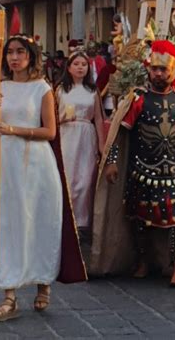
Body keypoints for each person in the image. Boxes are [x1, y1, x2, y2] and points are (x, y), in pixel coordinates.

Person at [90, 40, 175, 287]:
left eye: (163, 70)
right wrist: (111, 163)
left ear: (173, 71)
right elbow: (119, 134)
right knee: (139, 219)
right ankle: (142, 261)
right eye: (155, 69)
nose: (158, 74)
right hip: (141, 171)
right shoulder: (138, 99)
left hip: (172, 172)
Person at [0, 35, 86, 322]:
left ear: (31, 56)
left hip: (36, 164)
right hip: (5, 165)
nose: (14, 57)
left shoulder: (42, 88)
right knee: (8, 225)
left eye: (20, 52)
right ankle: (9, 296)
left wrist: (12, 129)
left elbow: (50, 132)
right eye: (10, 52)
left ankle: (43, 282)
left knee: (38, 222)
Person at [56, 51, 105, 235]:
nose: (80, 67)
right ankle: (65, 219)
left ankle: (82, 223)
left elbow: (99, 119)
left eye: (83, 64)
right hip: (66, 134)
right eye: (76, 64)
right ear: (68, 67)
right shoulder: (61, 90)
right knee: (68, 178)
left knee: (85, 180)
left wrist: (102, 145)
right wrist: (63, 118)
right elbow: (52, 116)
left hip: (86, 136)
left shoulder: (93, 91)